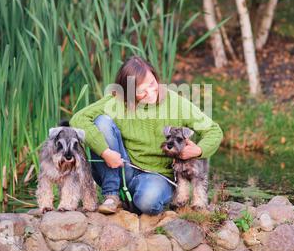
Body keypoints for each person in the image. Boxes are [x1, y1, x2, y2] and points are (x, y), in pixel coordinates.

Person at [69, 56, 223, 215]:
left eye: (151, 84)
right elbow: (78, 119)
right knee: (102, 122)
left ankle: (133, 200)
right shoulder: (119, 101)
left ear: (156, 77)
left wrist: (199, 151)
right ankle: (112, 195)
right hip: (123, 168)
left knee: (147, 201)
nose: (150, 93)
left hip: (158, 176)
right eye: (141, 90)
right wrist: (105, 152)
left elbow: (214, 130)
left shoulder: (175, 103)